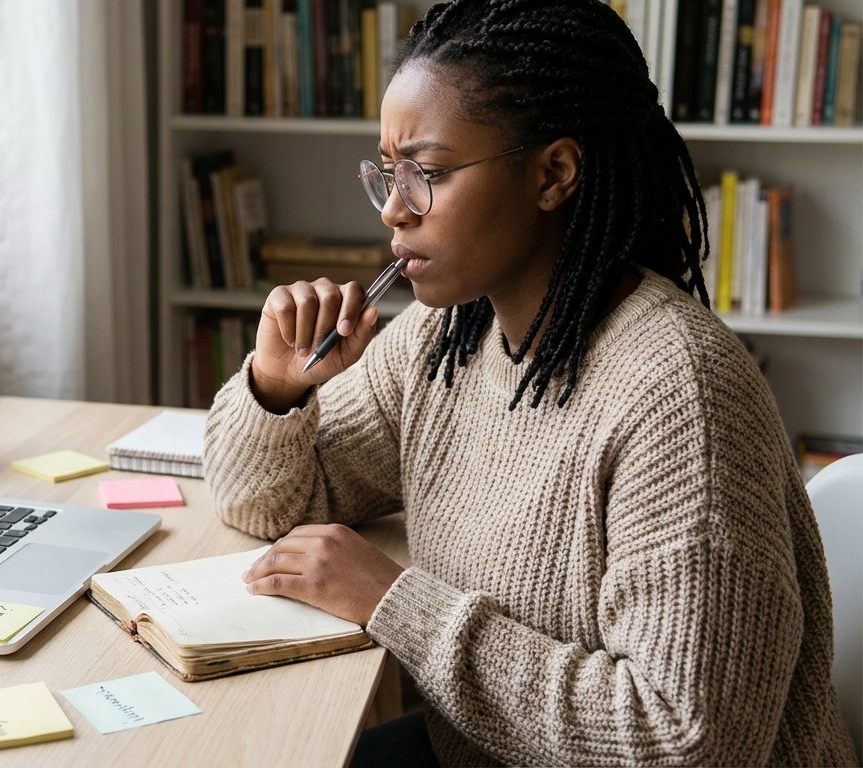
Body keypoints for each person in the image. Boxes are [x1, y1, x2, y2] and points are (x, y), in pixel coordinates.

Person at [201, 0, 858, 764]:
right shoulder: (445, 338)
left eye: (427, 174)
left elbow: (684, 741)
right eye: (388, 172)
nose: (394, 210)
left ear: (553, 174)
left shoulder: (681, 393)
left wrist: (393, 601)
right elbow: (263, 501)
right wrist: (276, 387)